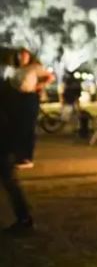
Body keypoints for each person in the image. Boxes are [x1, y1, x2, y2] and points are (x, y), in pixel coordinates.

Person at [0, 48, 33, 235]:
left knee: (9, 181)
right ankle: (24, 217)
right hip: (6, 141)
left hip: (3, 141)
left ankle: (24, 217)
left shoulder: (6, 89)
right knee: (9, 181)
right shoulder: (9, 89)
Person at [11, 49, 54, 168]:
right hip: (18, 98)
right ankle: (18, 156)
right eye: (20, 56)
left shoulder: (34, 68)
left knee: (28, 127)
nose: (22, 58)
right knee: (18, 127)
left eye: (25, 56)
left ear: (29, 57)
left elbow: (50, 77)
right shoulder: (17, 70)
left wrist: (38, 86)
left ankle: (27, 158)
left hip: (30, 97)